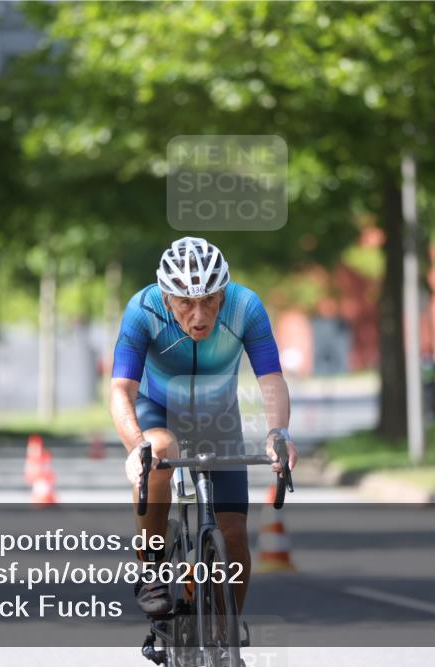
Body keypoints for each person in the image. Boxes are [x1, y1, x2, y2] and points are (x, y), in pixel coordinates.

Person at [110, 236, 298, 619]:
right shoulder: (142, 309)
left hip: (218, 418)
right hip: (158, 409)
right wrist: (135, 446)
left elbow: (271, 379)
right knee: (157, 449)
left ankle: (225, 641)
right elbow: (121, 388)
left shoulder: (246, 306)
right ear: (166, 299)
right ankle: (152, 568)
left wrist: (278, 432)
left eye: (210, 299)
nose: (199, 315)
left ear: (224, 294)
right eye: (186, 303)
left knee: (233, 537)